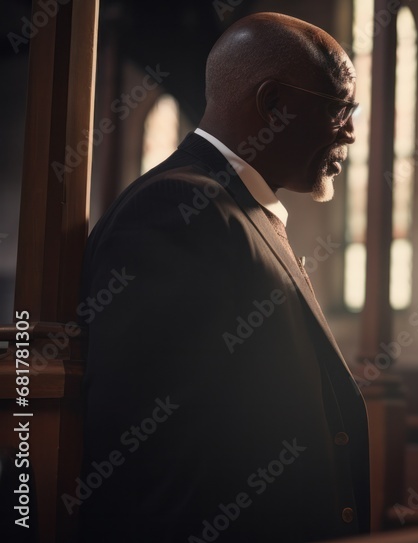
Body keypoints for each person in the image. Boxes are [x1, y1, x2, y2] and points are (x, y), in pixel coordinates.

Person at [78, 13, 369, 541]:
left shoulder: (236, 208)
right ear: (274, 104)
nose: (350, 131)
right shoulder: (178, 208)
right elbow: (151, 453)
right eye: (338, 109)